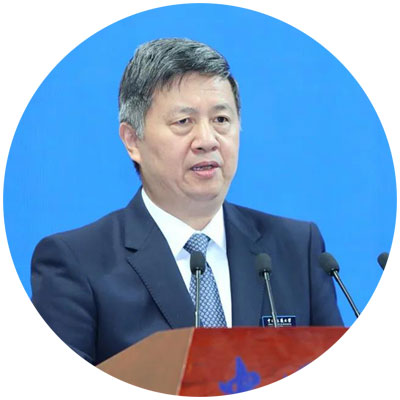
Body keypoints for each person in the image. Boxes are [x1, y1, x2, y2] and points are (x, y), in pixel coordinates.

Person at [31, 38, 343, 366]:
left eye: (221, 120)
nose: (207, 140)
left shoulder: (297, 248)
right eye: (184, 122)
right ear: (132, 140)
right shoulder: (76, 264)